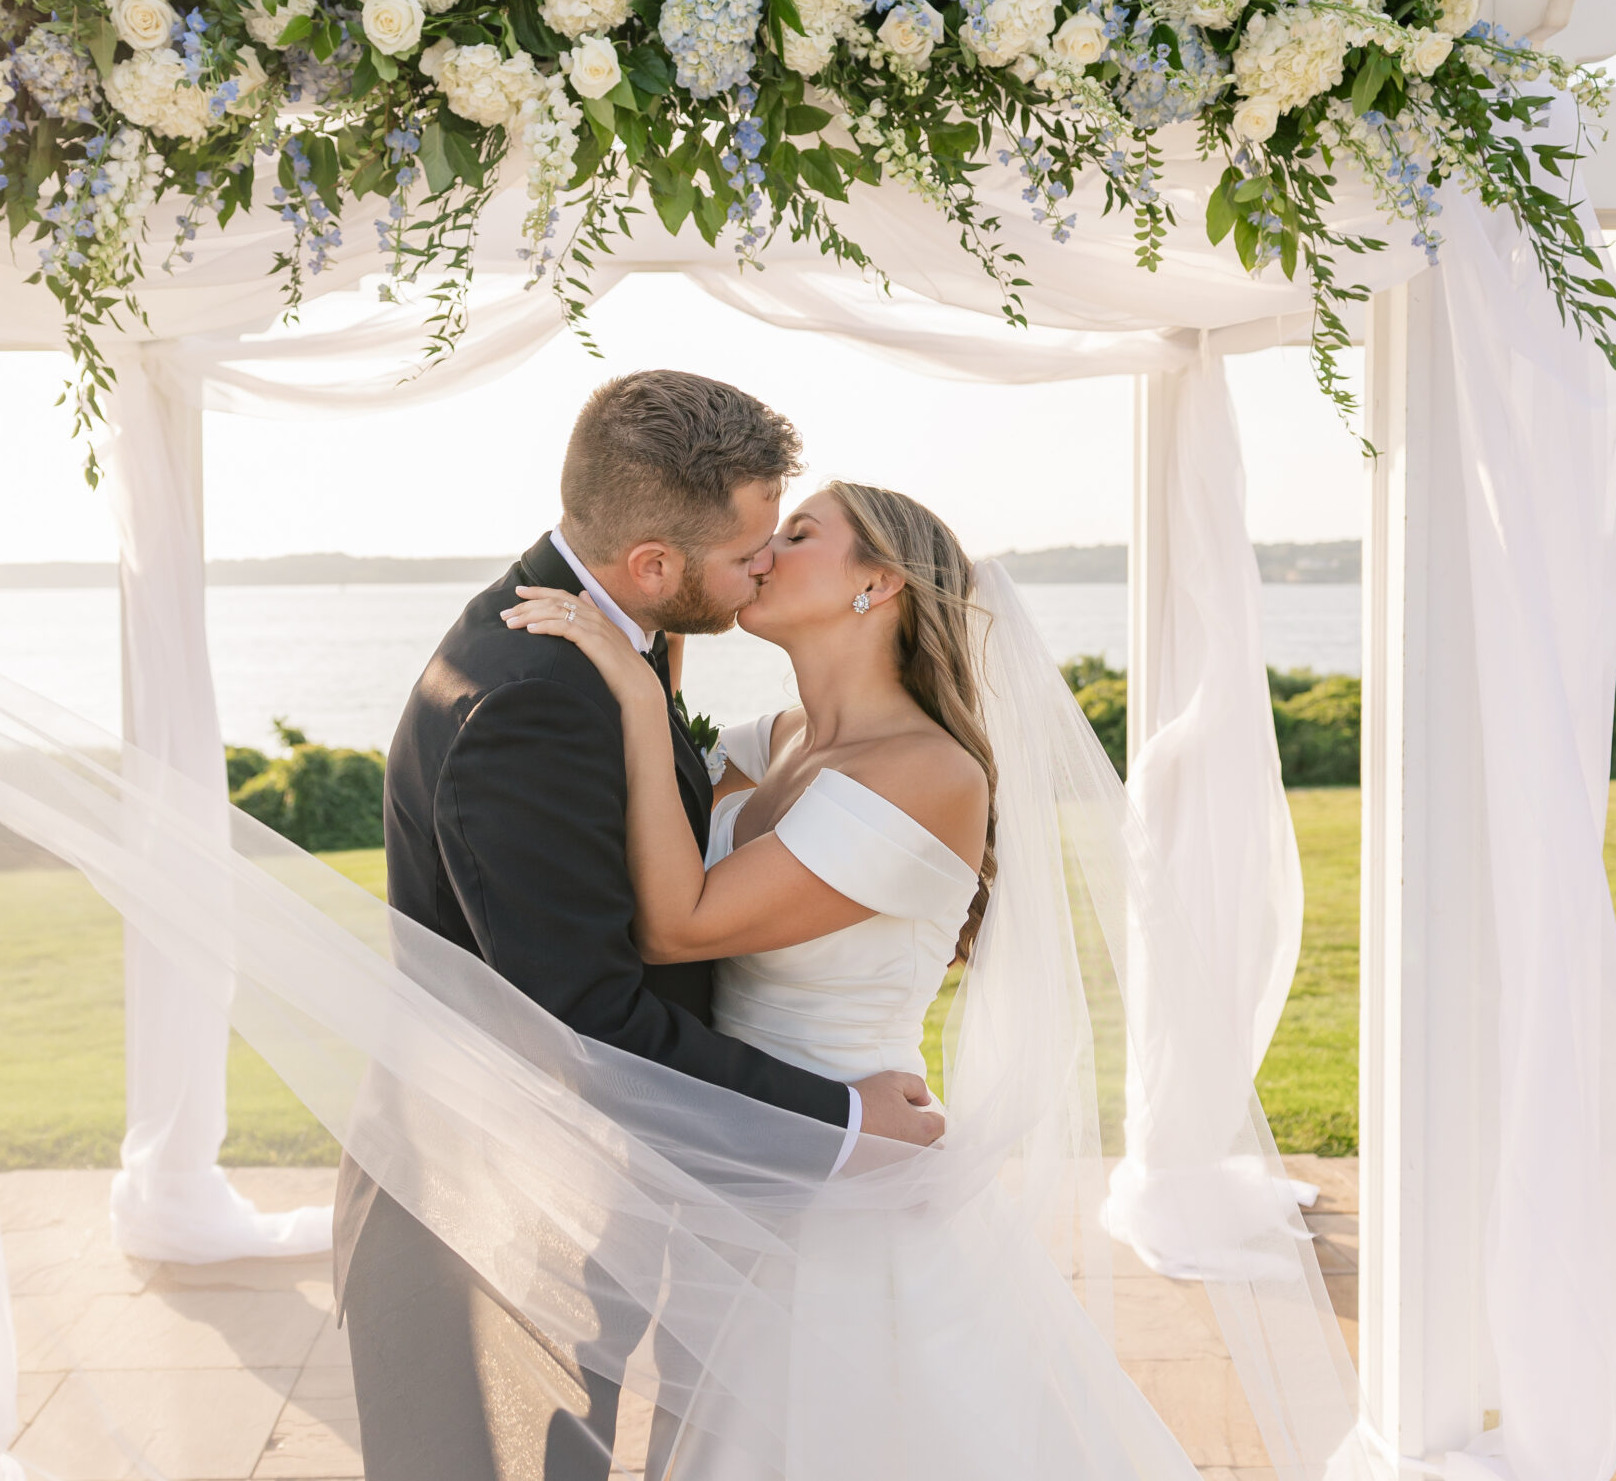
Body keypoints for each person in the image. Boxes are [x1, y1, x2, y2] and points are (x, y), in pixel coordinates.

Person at [504, 479, 1208, 1481]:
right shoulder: (777, 742)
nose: (760, 553)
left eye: (796, 535)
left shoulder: (924, 773)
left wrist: (630, 686)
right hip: (743, 1154)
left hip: (849, 1179)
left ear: (875, 583)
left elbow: (676, 921)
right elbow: (649, 838)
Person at [336, 372, 944, 1481]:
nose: (764, 565)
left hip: (598, 1184)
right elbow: (584, 1017)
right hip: (493, 1206)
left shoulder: (594, 644)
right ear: (654, 565)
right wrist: (841, 1122)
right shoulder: (536, 692)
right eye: (754, 548)